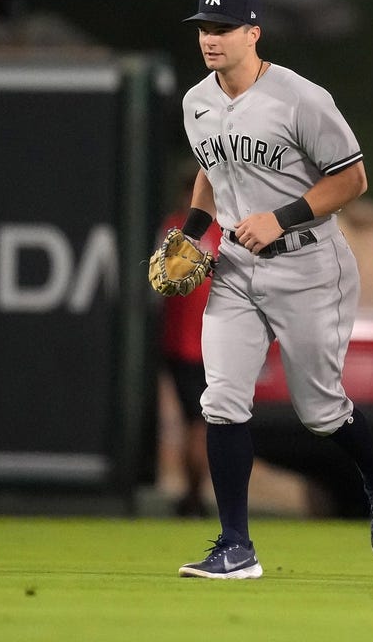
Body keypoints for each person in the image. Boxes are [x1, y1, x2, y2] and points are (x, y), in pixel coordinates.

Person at [169, 0, 373, 579]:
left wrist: (280, 218)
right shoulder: (197, 100)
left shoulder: (301, 98)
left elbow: (352, 180)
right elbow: (210, 171)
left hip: (309, 264)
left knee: (320, 410)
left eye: (223, 28)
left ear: (254, 33)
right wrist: (197, 232)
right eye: (204, 28)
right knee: (221, 400)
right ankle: (235, 545)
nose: (211, 38)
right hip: (233, 269)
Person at [156, 167, 223, 518]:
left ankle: (194, 496)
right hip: (217, 342)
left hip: (183, 345)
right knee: (204, 423)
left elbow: (157, 285)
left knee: (194, 424)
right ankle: (198, 495)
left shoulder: (174, 231)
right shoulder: (224, 231)